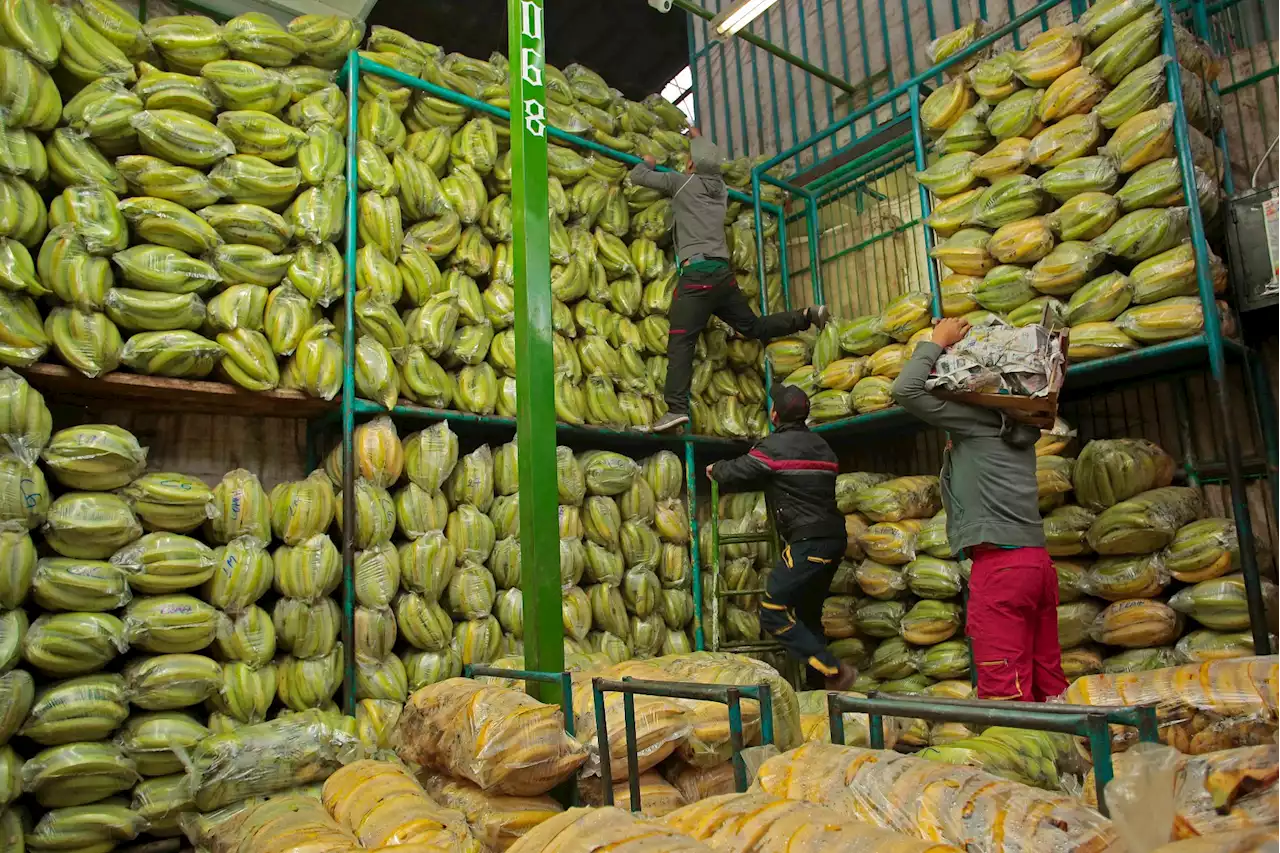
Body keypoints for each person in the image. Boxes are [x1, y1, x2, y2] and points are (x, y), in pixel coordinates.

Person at [891, 317, 1067, 702]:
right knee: (1046, 682)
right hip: (1035, 564)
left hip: (1001, 568)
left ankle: (1021, 759)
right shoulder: (1016, 430)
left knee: (1004, 690)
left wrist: (938, 341)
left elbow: (905, 389)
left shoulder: (977, 421)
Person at [627, 129, 828, 434]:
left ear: (691, 166)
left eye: (689, 161)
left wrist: (649, 162)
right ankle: (806, 316)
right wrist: (697, 137)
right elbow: (708, 162)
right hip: (722, 276)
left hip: (695, 277)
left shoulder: (679, 183)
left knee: (681, 342)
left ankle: (676, 409)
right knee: (752, 327)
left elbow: (637, 176)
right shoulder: (720, 191)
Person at [706, 384, 855, 690]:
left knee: (774, 612)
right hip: (835, 538)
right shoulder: (824, 448)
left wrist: (716, 469)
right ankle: (819, 689)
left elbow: (741, 469)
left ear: (774, 415)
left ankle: (832, 668)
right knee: (809, 614)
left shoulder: (773, 448)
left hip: (807, 542)